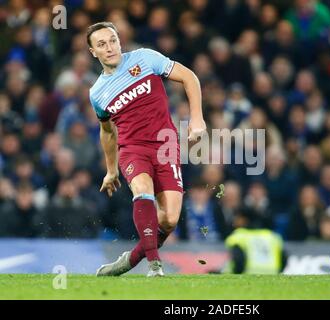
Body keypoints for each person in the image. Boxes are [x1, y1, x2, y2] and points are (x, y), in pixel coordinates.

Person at [87, 22, 206, 277]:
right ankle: (154, 265)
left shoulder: (145, 58)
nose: (109, 48)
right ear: (92, 52)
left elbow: (189, 77)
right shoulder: (97, 93)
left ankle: (129, 259)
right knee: (142, 191)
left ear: (120, 41)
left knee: (169, 220)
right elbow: (107, 132)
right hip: (132, 149)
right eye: (101, 44)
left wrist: (197, 118)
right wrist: (111, 170)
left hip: (166, 145)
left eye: (113, 41)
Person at [224, 208, 288, 275]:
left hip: (249, 274)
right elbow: (284, 257)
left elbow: (238, 260)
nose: (234, 221)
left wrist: (236, 274)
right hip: (272, 274)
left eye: (237, 218)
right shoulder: (271, 236)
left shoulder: (238, 236)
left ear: (244, 220)